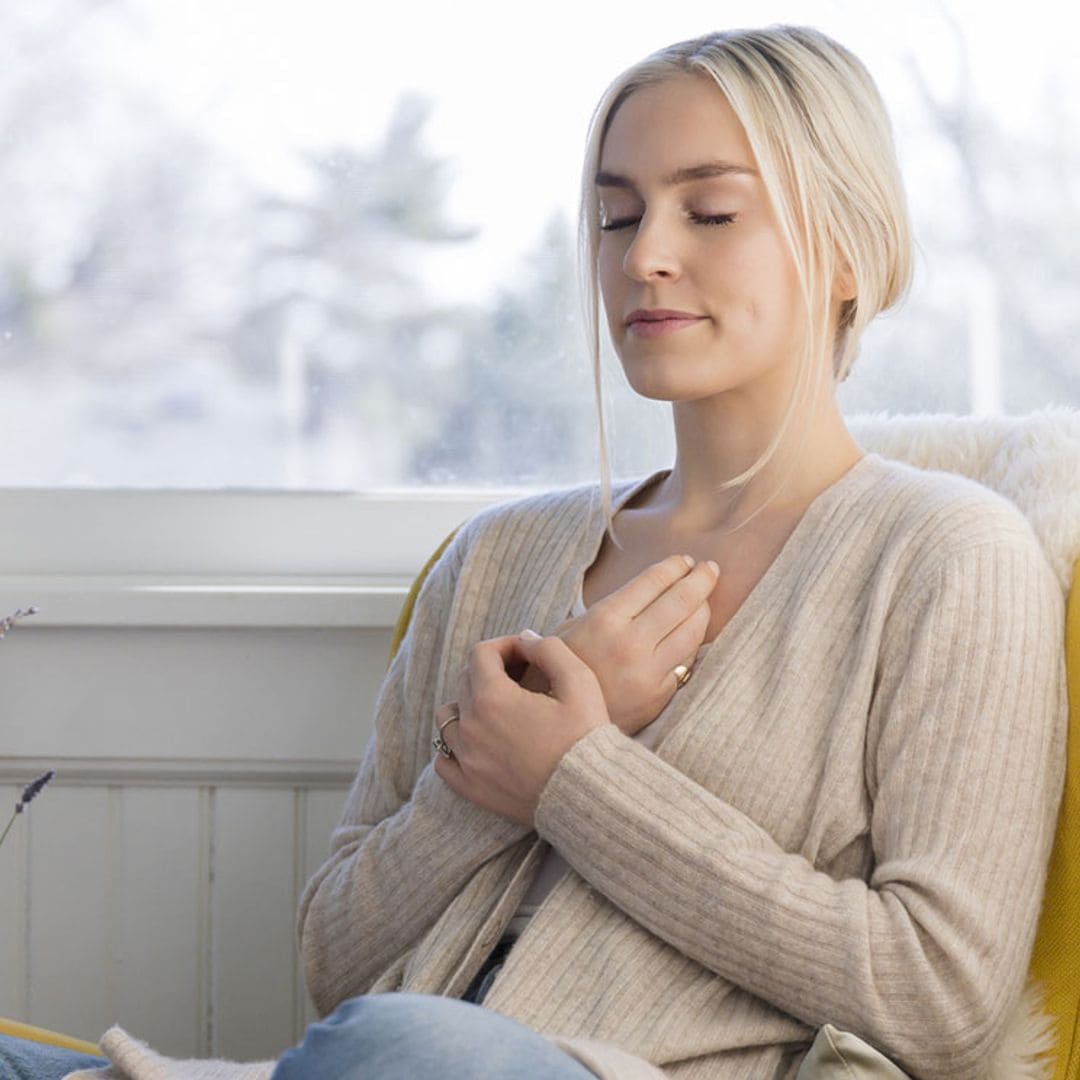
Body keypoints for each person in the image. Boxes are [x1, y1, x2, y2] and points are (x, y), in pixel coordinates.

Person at [1, 23, 1066, 1080]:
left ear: (847, 249)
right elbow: (335, 957)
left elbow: (942, 1000)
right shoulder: (496, 556)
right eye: (616, 214)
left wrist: (570, 774)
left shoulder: (951, 557)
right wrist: (477, 788)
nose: (644, 253)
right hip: (372, 1062)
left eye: (710, 211)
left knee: (402, 1043)